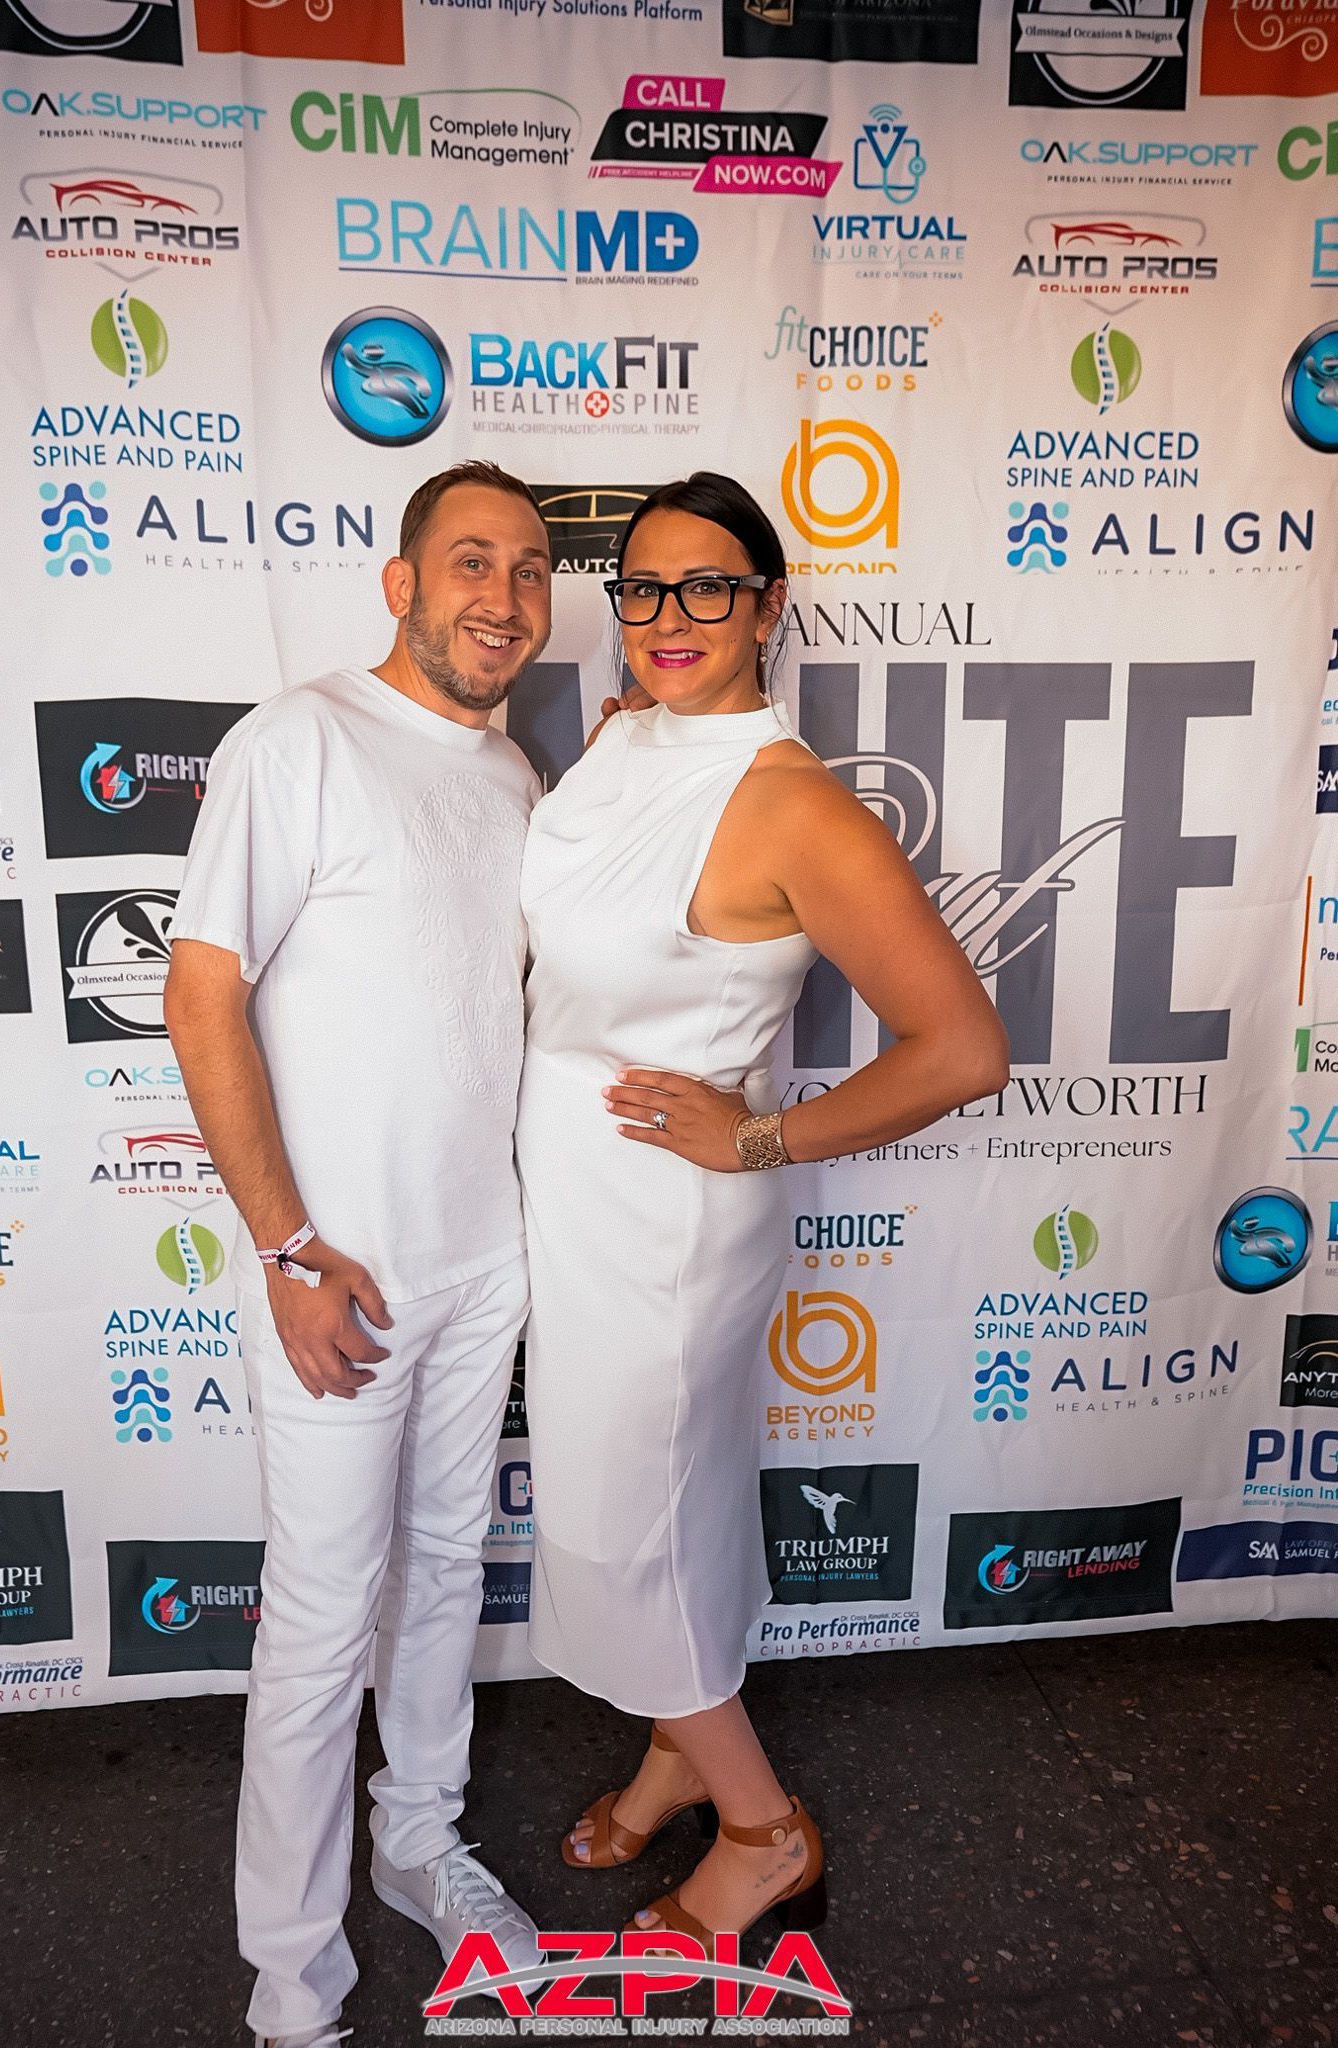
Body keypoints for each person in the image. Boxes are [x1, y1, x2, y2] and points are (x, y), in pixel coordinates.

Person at [515, 471, 1010, 1955]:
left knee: (625, 1524)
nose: (669, 616)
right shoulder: (626, 739)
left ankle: (762, 1830)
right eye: (643, 588)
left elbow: (963, 1049)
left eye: (708, 587)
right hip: (575, 1201)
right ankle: (680, 1751)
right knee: (672, 1505)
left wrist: (759, 1137)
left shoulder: (794, 806)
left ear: (768, 604)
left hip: (666, 1227)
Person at [163, 461, 553, 2048]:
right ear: (402, 584)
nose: (504, 599)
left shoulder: (515, 775)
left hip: (480, 1265)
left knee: (448, 1568)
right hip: (342, 1277)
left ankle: (418, 1842)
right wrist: (287, 1247)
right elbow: (201, 994)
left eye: (531, 571)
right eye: (471, 563)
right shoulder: (301, 739)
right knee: (325, 1616)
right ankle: (291, 1977)